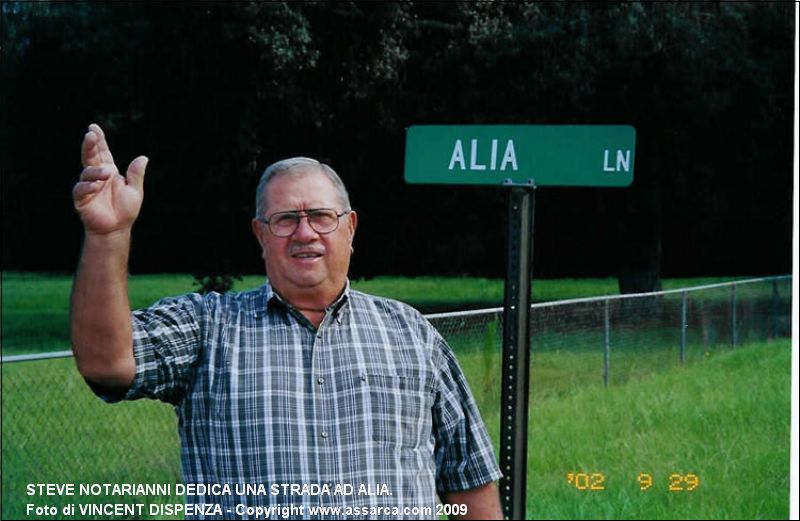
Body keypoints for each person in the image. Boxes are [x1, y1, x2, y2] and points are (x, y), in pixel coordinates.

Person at [71, 124, 503, 520]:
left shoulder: (411, 333)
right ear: (260, 234)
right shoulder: (209, 328)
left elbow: (468, 481)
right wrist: (108, 237)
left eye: (320, 216)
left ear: (350, 227)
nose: (304, 233)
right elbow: (106, 364)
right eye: (286, 220)